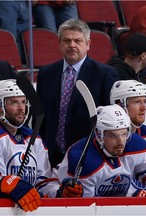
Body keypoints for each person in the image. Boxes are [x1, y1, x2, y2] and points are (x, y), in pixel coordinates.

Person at [37, 18, 119, 167]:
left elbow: (109, 118)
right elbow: (41, 117)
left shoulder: (104, 74)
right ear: (59, 43)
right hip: (50, 156)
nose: (72, 45)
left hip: (88, 155)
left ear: (88, 44)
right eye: (67, 41)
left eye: (78, 41)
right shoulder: (45, 73)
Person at [0, 79, 63, 198]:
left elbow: (43, 181)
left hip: (30, 205)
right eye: (14, 103)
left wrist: (59, 192)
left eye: (23, 102)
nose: (21, 108)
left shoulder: (34, 137)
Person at [110, 80, 146, 196]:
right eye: (137, 102)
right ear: (119, 105)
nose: (144, 108)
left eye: (145, 101)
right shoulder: (106, 140)